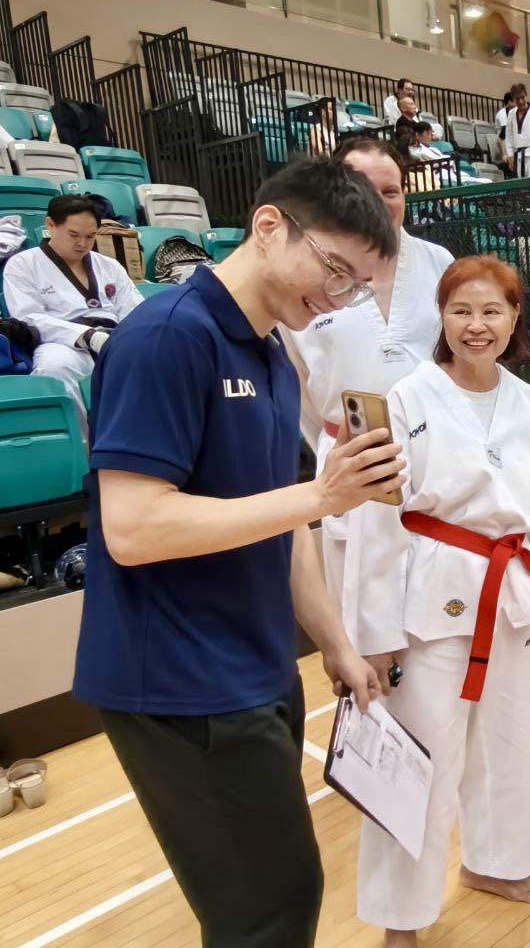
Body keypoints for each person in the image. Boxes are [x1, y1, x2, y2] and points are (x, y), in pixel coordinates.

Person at [72, 159, 400, 947]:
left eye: (357, 284)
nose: (335, 297)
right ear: (267, 227)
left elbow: (280, 522)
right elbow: (134, 528)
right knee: (270, 909)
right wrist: (322, 497)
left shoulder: (273, 353)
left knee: (272, 903)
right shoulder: (166, 338)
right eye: (332, 269)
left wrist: (337, 642)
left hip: (252, 668)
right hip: (178, 682)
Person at [344, 255, 530, 945]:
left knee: (507, 745)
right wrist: (374, 630)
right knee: (421, 757)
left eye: (492, 312)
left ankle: (495, 861)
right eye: (461, 311)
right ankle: (401, 914)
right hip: (429, 595)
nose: (476, 326)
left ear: (515, 319)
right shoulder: (403, 400)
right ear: (441, 319)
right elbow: (374, 519)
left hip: (507, 594)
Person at [279, 137, 454, 635]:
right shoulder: (306, 274)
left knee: (435, 612)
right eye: (365, 189)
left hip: (433, 454)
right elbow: (297, 386)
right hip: (350, 454)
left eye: (392, 190)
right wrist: (338, 438)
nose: (381, 203)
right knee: (361, 617)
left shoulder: (438, 262)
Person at [4, 195, 144, 416]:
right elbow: (29, 317)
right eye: (73, 235)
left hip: (115, 338)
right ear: (50, 225)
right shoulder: (23, 264)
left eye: (90, 236)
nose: (82, 244)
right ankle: (80, 446)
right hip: (63, 342)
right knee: (53, 368)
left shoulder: (109, 265)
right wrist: (88, 336)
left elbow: (136, 311)